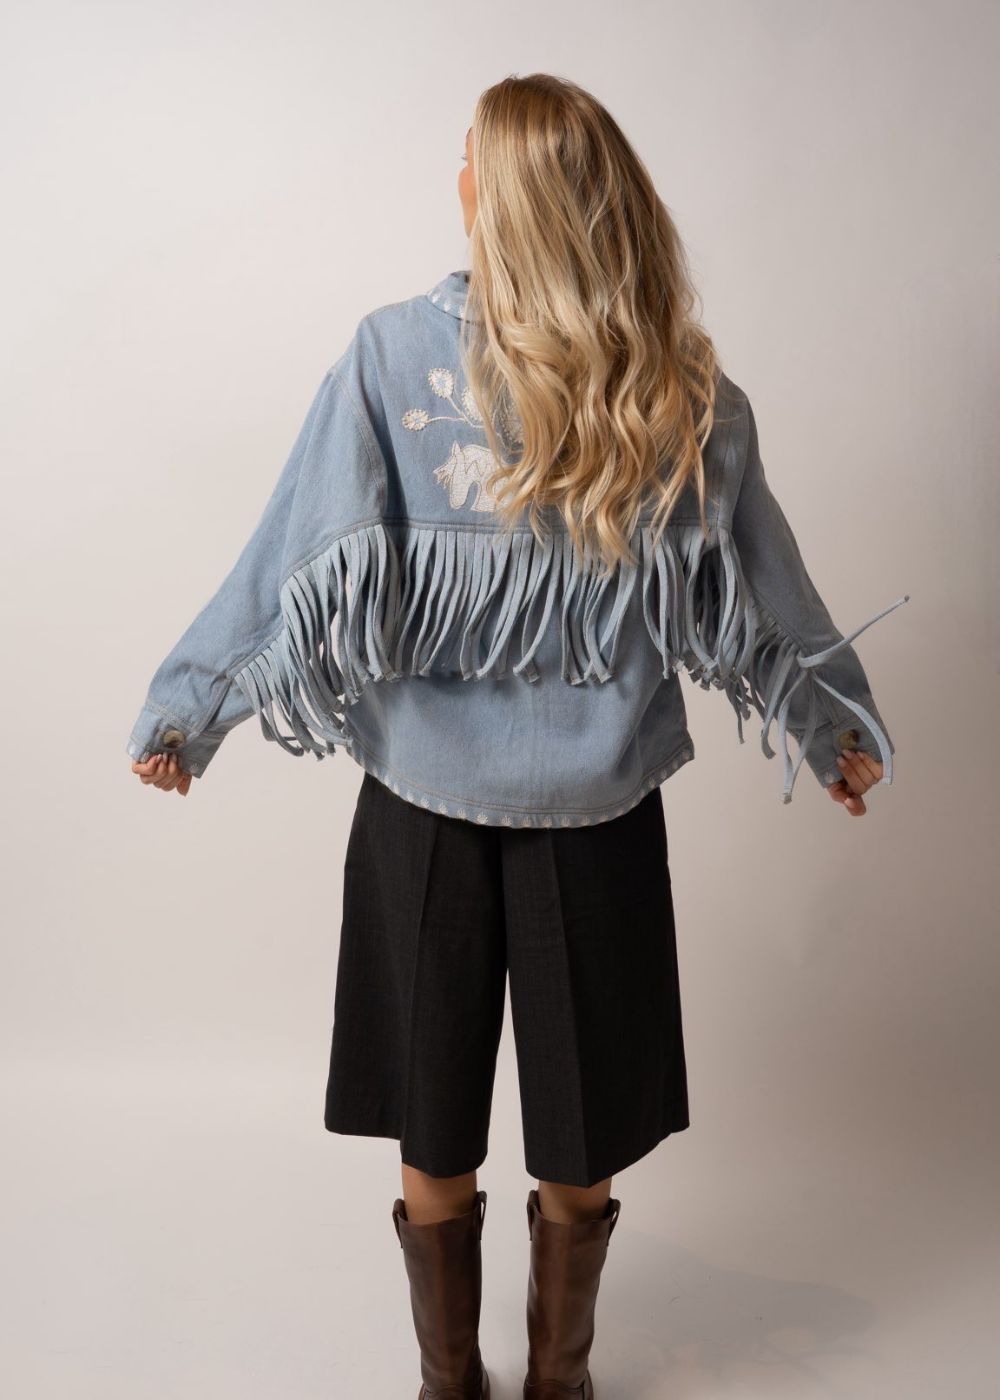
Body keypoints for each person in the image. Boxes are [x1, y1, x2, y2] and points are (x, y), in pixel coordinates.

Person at [128, 73, 908, 1400]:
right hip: (551, 807)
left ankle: (470, 1386)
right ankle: (550, 1385)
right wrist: (830, 726)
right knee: (570, 1127)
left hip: (452, 804)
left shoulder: (405, 357)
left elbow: (294, 555)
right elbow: (761, 592)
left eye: (470, 160)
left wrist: (189, 707)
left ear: (507, 199)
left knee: (446, 1121)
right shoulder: (678, 385)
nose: (456, 179)